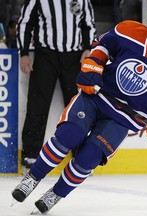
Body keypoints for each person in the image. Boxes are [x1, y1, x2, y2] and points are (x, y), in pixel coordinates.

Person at [11, 4, 147, 214]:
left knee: (89, 157)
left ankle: (56, 193)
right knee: (68, 136)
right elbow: (102, 45)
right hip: (96, 97)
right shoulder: (129, 31)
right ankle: (33, 177)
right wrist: (93, 64)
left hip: (123, 118)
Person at [17, 0, 96, 168]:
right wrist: (23, 52)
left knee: (79, 108)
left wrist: (88, 49)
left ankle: (81, 153)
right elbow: (25, 23)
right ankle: (30, 154)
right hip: (46, 55)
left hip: (74, 58)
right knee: (37, 104)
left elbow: (88, 24)